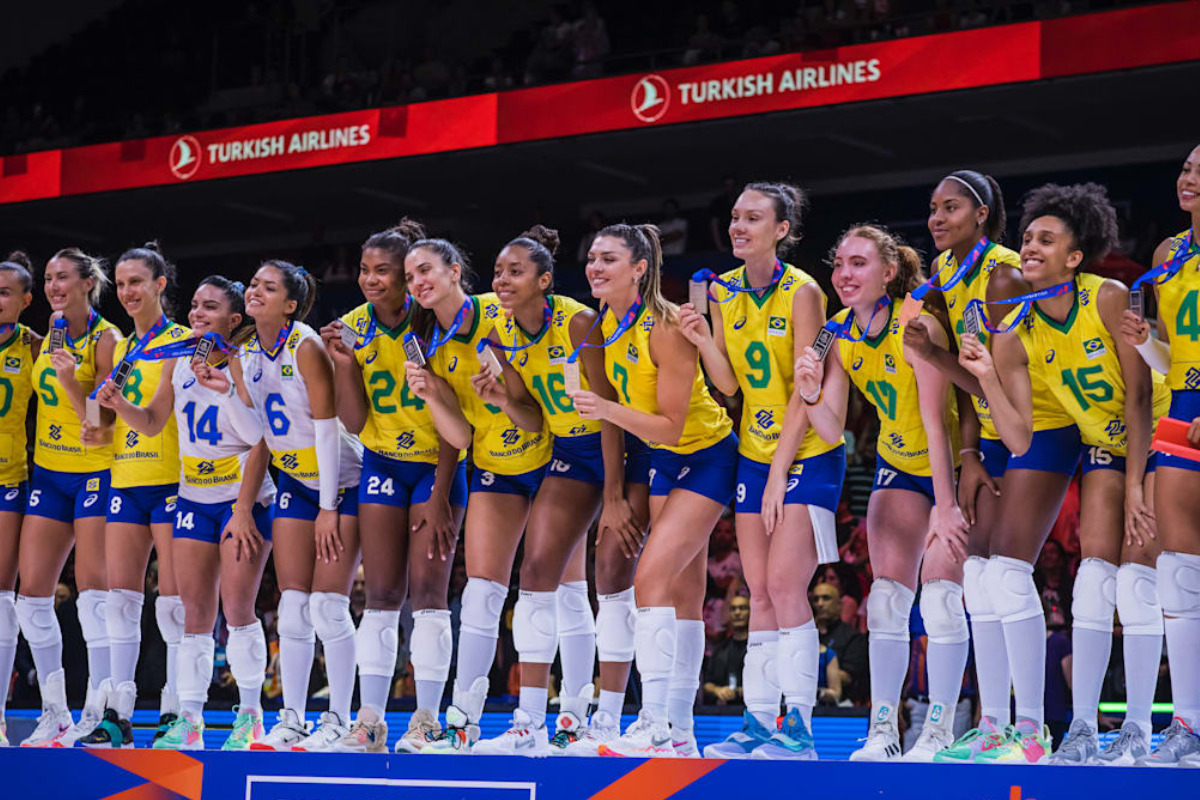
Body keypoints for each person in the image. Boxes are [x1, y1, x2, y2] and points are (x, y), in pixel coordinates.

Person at [959, 182, 1168, 764]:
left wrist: (1133, 488)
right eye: (1026, 237)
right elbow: (1020, 437)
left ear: (1075, 257)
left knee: (1139, 582)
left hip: (1156, 442)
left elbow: (1140, 396)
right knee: (1094, 585)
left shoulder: (1107, 297)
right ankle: (1079, 728)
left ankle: (1138, 730)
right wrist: (984, 375)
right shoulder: (1017, 326)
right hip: (1103, 446)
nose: (1028, 246)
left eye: (1045, 240)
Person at [903, 170, 1082, 762]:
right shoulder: (944, 277)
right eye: (932, 208)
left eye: (951, 207)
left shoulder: (1001, 274)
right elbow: (977, 380)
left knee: (1005, 575)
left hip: (1044, 425)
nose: (937, 218)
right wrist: (970, 453)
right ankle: (994, 725)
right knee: (977, 581)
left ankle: (1032, 730)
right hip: (997, 429)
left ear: (982, 214)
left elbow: (1001, 378)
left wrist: (979, 444)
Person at [679, 181, 845, 760]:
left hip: (807, 455)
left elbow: (809, 388)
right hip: (753, 447)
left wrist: (778, 472)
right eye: (734, 217)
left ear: (781, 230)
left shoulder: (804, 293)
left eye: (753, 218)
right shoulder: (721, 291)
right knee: (760, 591)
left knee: (783, 584)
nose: (738, 226)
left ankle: (799, 727)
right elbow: (727, 386)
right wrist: (703, 339)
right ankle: (758, 720)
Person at [795, 223, 968, 762]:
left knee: (940, 601)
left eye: (859, 264)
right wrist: (808, 390)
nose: (844, 274)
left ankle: (939, 731)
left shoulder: (917, 323)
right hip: (896, 461)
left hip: (950, 465)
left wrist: (945, 507)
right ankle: (883, 733)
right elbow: (831, 429)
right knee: (887, 600)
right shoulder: (838, 331)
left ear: (888, 273)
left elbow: (936, 421)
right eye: (840, 263)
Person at [468, 226, 643, 756]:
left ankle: (596, 716)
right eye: (498, 271)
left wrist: (613, 494)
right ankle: (530, 722)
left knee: (610, 575)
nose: (501, 281)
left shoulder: (579, 321)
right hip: (566, 451)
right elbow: (530, 415)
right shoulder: (498, 333)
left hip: (618, 447)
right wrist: (499, 398)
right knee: (536, 573)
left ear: (544, 280)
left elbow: (607, 405)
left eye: (515, 272)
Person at [571, 223, 738, 758]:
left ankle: (653, 721)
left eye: (609, 259)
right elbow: (638, 430)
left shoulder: (664, 327)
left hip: (707, 455)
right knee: (684, 596)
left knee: (649, 579)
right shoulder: (600, 326)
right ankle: (682, 733)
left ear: (640, 269)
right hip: (667, 463)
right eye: (593, 258)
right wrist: (614, 491)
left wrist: (603, 409)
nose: (596, 267)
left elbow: (667, 424)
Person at [95, 277, 275, 750]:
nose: (196, 314)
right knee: (194, 615)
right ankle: (189, 719)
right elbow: (154, 423)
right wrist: (121, 406)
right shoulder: (178, 361)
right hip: (194, 495)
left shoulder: (246, 364)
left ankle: (250, 716)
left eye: (209, 308)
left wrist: (241, 509)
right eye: (194, 305)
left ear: (233, 321)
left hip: (243, 499)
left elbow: (260, 440)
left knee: (237, 611)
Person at [319, 220, 468, 754]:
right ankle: (370, 722)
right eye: (364, 270)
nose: (370, 280)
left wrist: (441, 493)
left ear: (408, 278)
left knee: (429, 595)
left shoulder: (434, 325)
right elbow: (355, 422)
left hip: (436, 463)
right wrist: (343, 365)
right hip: (382, 461)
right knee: (380, 596)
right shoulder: (353, 327)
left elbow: (456, 418)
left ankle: (428, 719)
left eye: (384, 271)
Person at [403, 238, 553, 753]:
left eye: (426, 270)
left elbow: (534, 410)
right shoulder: (433, 345)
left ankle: (555, 720)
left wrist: (502, 395)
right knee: (480, 593)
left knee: (553, 593)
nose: (418, 282)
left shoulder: (497, 312)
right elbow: (460, 437)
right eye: (411, 277)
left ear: (454, 270)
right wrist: (430, 395)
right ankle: (463, 723)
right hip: (493, 466)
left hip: (552, 456)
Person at [240, 260, 364, 751]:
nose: (255, 291)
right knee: (292, 609)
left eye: (268, 287)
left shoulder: (306, 346)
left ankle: (337, 716)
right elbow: (258, 435)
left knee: (329, 607)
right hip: (295, 480)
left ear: (290, 304)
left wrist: (330, 506)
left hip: (345, 482)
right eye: (253, 283)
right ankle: (291, 718)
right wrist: (244, 503)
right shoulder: (247, 351)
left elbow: (328, 430)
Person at [79, 243, 187, 748]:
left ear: (160, 284)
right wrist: (94, 426)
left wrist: (116, 403)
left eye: (137, 282)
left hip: (172, 481)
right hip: (125, 481)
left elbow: (155, 421)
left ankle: (173, 708)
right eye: (121, 284)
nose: (127, 293)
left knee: (173, 604)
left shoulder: (182, 342)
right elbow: (111, 428)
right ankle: (117, 712)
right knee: (119, 601)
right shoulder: (123, 348)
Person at [1117, 141, 1200, 767]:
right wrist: (1147, 345)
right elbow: (1176, 362)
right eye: (1186, 169)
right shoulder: (1169, 255)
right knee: (1178, 573)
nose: (1188, 179)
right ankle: (1188, 728)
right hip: (1183, 419)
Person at [18, 248, 120, 747]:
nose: (55, 286)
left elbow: (101, 429)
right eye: (49, 278)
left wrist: (66, 380)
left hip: (95, 473)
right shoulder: (49, 335)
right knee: (30, 597)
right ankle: (54, 712)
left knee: (93, 598)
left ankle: (94, 710)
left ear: (88, 283)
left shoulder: (107, 340)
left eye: (64, 278)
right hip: (48, 473)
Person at [0, 252, 38, 747]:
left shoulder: (33, 346)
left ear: (26, 301)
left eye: (5, 292)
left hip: (8, 477)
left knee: (2, 598)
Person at [809, 581, 868, 703]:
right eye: (816, 599)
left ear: (839, 604)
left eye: (826, 598)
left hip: (840, 705)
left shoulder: (852, 637)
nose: (820, 604)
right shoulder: (806, 635)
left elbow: (848, 677)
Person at [703, 595, 750, 705]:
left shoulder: (759, 649)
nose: (737, 613)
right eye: (733, 609)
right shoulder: (720, 650)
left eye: (742, 608)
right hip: (725, 713)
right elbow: (707, 684)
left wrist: (739, 692)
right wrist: (717, 690)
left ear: (751, 612)